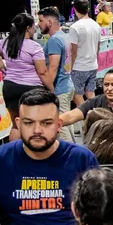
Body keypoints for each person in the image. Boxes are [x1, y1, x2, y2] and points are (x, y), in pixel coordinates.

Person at [0, 89, 99, 225]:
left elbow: (99, 217)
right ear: (18, 124)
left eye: (46, 123)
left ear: (59, 125)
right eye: (29, 122)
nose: (37, 130)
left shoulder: (82, 159)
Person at [0, 12, 49, 142]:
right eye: (33, 26)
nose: (35, 28)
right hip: (32, 89)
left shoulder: (5, 43)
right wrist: (50, 88)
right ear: (28, 28)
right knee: (34, 124)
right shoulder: (35, 47)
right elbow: (42, 71)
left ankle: (14, 155)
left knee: (16, 125)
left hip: (10, 87)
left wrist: (4, 69)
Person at [37, 8, 74, 141]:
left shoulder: (54, 40)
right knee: (66, 126)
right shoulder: (63, 36)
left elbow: (53, 67)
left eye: (41, 21)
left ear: (50, 22)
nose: (39, 24)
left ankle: (71, 158)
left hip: (60, 88)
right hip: (66, 85)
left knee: (62, 127)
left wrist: (49, 89)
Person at [59, 68, 113, 132]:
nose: (109, 89)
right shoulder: (96, 101)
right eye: (106, 85)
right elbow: (71, 116)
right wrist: (52, 123)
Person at [68, 0, 103, 106]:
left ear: (75, 9)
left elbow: (73, 51)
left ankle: (87, 116)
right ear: (88, 9)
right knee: (90, 92)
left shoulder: (74, 27)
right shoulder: (96, 25)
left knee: (77, 95)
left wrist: (70, 67)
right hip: (92, 65)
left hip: (79, 66)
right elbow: (98, 47)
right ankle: (96, 114)